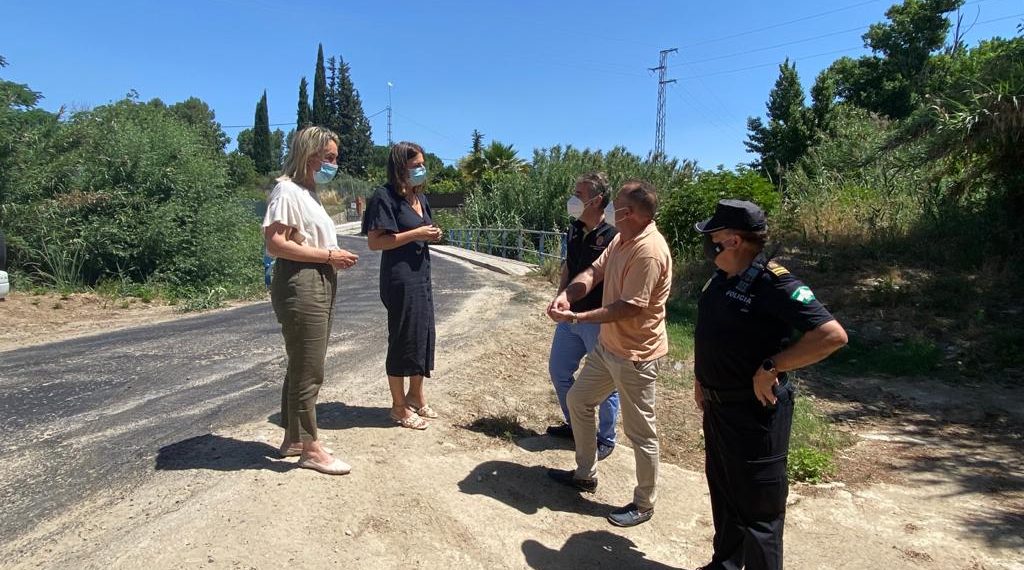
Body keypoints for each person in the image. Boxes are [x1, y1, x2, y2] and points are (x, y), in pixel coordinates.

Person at [692, 199, 848, 570]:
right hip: (718, 408)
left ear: (731, 240)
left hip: (755, 412)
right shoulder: (719, 279)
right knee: (725, 493)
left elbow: (832, 335)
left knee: (759, 513)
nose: (706, 241)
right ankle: (725, 564)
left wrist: (772, 365)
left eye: (712, 234)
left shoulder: (775, 283)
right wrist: (701, 381)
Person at [546, 180, 673, 528]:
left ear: (629, 213)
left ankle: (644, 503)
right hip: (608, 347)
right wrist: (568, 296)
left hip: (635, 354)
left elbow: (631, 307)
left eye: (616, 205)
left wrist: (577, 317)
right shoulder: (621, 238)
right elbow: (594, 271)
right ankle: (585, 474)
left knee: (641, 433)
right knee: (579, 400)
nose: (611, 210)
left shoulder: (648, 250)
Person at [263, 126, 359, 476]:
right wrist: (328, 256)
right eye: (329, 158)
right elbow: (275, 244)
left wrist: (329, 260)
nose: (334, 164)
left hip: (315, 277)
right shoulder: (286, 191)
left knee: (301, 361)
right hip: (302, 280)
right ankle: (311, 448)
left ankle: (294, 439)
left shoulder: (307, 192)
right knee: (310, 367)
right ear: (309, 155)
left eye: (335, 157)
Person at [363, 141, 442, 430]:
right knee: (402, 338)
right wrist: (417, 233)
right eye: (415, 165)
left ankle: (415, 396)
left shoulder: (420, 197)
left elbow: (422, 229)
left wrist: (430, 233)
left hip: (422, 274)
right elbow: (375, 242)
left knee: (423, 334)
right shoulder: (384, 197)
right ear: (400, 168)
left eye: (422, 163)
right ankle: (398, 407)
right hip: (400, 278)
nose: (421, 169)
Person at [546, 172, 620, 461]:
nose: (573, 199)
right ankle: (577, 424)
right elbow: (569, 265)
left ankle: (605, 437)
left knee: (604, 380)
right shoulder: (575, 228)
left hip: (597, 318)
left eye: (579, 193)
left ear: (597, 199)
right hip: (570, 316)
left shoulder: (614, 234)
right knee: (559, 371)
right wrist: (560, 296)